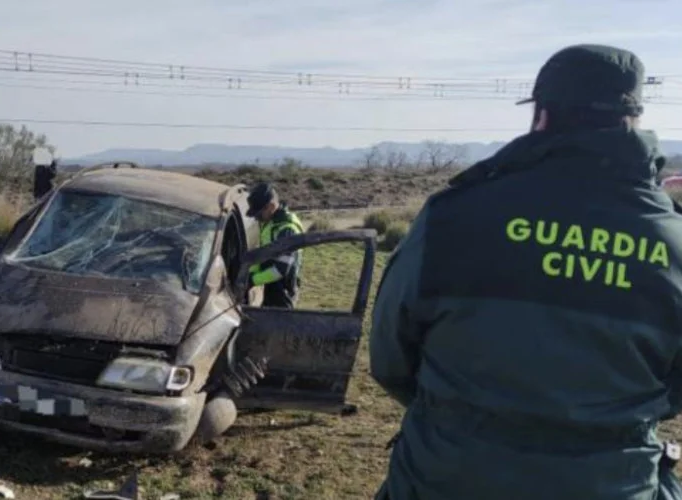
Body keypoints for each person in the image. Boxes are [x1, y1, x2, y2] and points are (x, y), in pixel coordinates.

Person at [369, 43, 682, 500]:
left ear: (542, 116)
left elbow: (390, 358)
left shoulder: (452, 217)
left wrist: (466, 419)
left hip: (444, 479)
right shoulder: (674, 242)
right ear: (632, 119)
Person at [245, 181, 304, 308]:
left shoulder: (287, 230)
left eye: (259, 213)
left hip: (282, 294)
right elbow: (264, 254)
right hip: (271, 286)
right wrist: (249, 272)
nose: (256, 218)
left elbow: (281, 269)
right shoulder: (271, 222)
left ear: (271, 206)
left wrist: (252, 280)